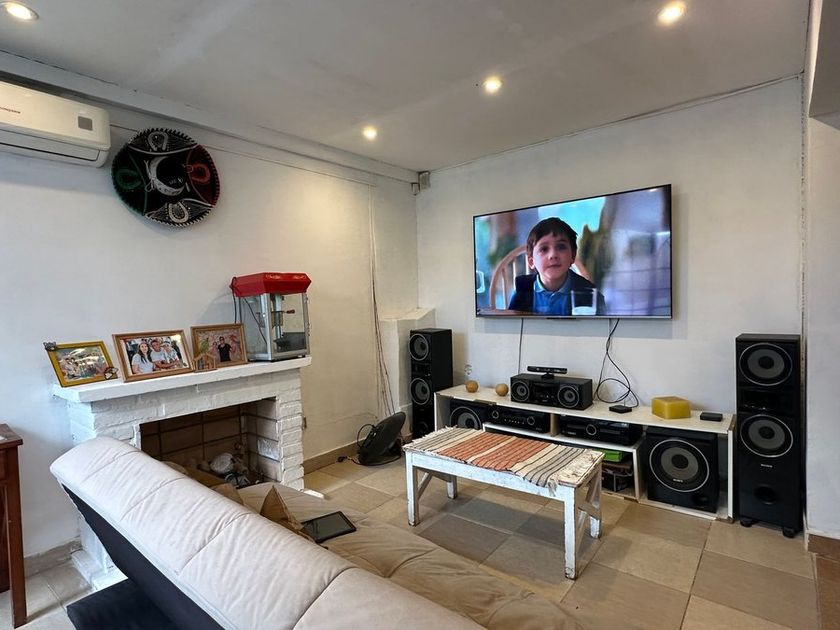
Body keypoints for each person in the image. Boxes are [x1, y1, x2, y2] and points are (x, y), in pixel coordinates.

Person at [507, 217, 605, 315]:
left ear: (572, 256)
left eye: (561, 247)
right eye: (544, 249)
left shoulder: (589, 295)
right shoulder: (522, 290)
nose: (553, 255)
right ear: (531, 262)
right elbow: (511, 322)